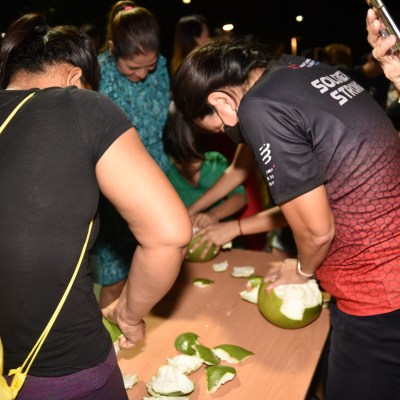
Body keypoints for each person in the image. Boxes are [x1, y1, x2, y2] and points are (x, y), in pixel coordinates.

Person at [171, 36, 400, 399]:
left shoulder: (258, 106)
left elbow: (317, 230)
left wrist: (302, 270)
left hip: (378, 284)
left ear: (221, 102)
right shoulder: (298, 69)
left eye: (218, 129)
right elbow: (325, 194)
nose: (230, 135)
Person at [0, 12, 191, 400]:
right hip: (63, 367)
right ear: (75, 79)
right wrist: (128, 314)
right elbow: (169, 234)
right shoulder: (81, 106)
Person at [90, 0, 172, 307]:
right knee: (115, 279)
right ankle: (106, 337)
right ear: (113, 50)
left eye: (148, 66)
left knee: (153, 273)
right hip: (116, 185)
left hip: (157, 176)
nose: (143, 74)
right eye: (133, 68)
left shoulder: (160, 67)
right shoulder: (97, 77)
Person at [163, 102, 248, 254]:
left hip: (229, 247)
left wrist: (213, 215)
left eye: (193, 160)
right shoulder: (169, 180)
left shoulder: (215, 163)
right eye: (181, 161)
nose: (188, 166)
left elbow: (240, 198)